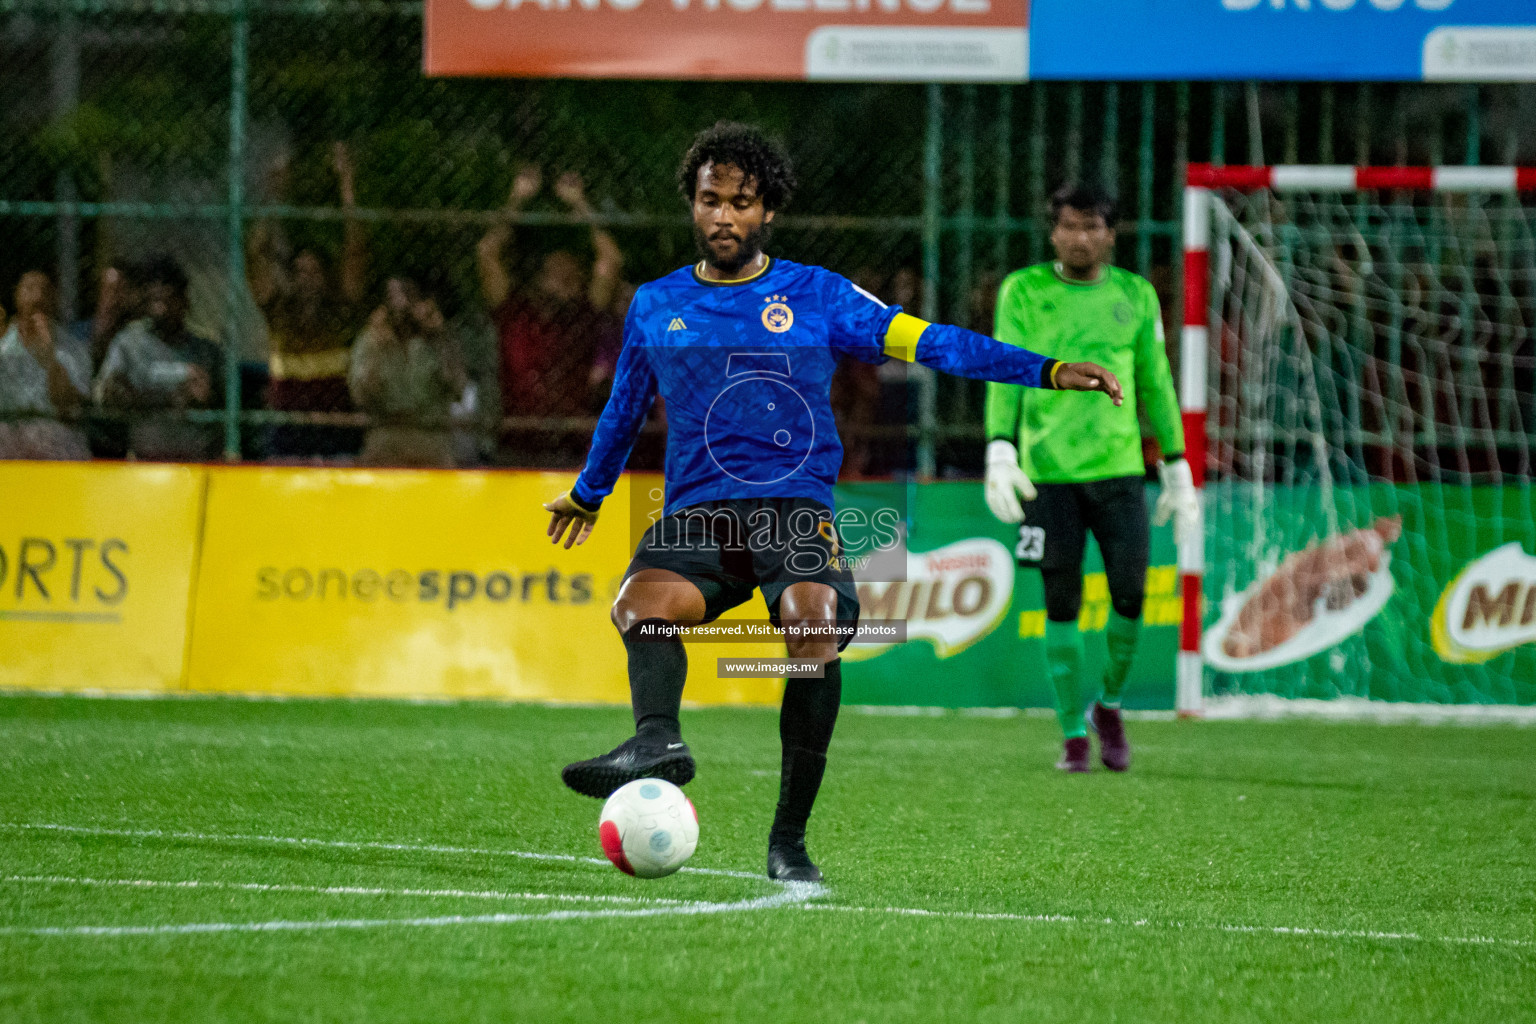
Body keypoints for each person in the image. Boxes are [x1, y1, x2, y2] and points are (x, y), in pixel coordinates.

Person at [543, 123, 1123, 883]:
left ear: (768, 211)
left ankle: (789, 843)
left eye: (741, 203)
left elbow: (936, 342)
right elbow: (623, 409)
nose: (723, 217)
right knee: (639, 605)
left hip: (793, 512)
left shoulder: (819, 295)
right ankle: (658, 741)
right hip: (700, 515)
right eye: (710, 200)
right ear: (692, 205)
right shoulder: (656, 304)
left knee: (813, 629)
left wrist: (1044, 371)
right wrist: (589, 494)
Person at [983, 184, 1199, 774]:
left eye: (1093, 227)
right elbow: (1004, 370)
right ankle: (1073, 733)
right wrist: (1000, 448)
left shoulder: (1136, 294)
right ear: (1053, 232)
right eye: (1070, 226)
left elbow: (1155, 381)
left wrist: (1177, 462)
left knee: (1131, 592)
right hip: (1048, 476)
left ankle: (1109, 703)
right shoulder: (1022, 291)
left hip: (1121, 471)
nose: (1082, 238)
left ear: (1112, 233)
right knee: (1061, 602)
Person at [477, 167, 624, 466]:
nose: (564, 281)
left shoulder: (582, 318)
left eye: (571, 276)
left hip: (568, 447)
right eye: (556, 274)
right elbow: (486, 252)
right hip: (517, 445)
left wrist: (580, 205)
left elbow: (611, 260)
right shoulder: (516, 312)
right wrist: (516, 201)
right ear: (540, 279)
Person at [247, 142, 367, 460]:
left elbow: (355, 250)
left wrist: (347, 185)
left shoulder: (339, 311)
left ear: (327, 277)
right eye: (300, 272)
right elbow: (257, 254)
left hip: (336, 428)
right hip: (288, 428)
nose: (307, 279)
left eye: (314, 272)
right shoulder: (281, 311)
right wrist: (272, 194)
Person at [94, 256, 225, 462]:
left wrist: (208, 396)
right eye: (155, 301)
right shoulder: (129, 343)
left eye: (169, 300)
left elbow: (226, 402)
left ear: (184, 301)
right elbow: (110, 393)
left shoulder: (205, 351)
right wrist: (169, 399)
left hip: (196, 459)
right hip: (146, 457)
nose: (161, 310)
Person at [347, 276, 467, 468]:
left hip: (431, 437)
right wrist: (377, 349)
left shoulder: (440, 338)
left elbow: (459, 389)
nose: (401, 303)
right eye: (393, 296)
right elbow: (360, 396)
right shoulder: (371, 339)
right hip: (385, 435)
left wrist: (440, 338)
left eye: (407, 295)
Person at [0, 270, 93, 460]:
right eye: (30, 288)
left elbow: (70, 407)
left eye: (45, 290)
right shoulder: (3, 345)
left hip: (55, 444)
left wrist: (49, 358)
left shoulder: (73, 349)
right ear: (16, 294)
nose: (38, 297)